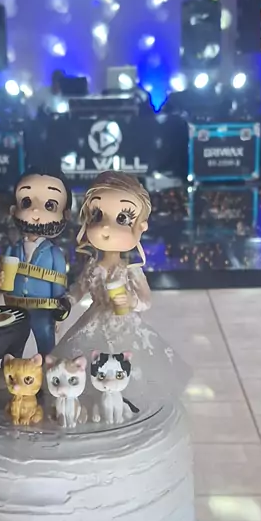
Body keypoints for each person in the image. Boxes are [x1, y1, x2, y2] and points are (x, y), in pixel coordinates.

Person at [54, 172, 188, 406]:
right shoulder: (93, 266)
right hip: (94, 321)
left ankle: (126, 400)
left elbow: (146, 300)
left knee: (128, 368)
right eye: (97, 215)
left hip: (124, 324)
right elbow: (79, 288)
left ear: (141, 227)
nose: (106, 226)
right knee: (87, 365)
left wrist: (130, 301)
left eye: (123, 218)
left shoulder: (130, 270)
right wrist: (67, 302)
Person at [0, 171, 71, 357]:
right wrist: (0, 280)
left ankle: (46, 371)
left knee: (46, 347)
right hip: (15, 308)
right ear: (13, 210)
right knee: (13, 348)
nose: (35, 212)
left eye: (50, 205)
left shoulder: (54, 254)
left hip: (43, 311)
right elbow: (3, 277)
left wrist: (58, 313)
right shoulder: (13, 249)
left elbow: (58, 286)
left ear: (65, 214)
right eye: (26, 202)